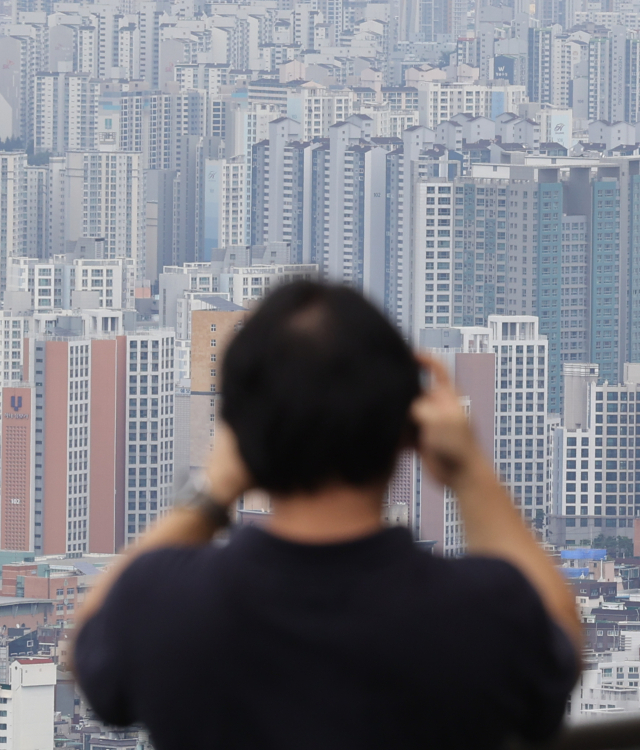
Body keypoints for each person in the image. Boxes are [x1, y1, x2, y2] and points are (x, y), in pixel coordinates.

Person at [73, 282, 580, 750]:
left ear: (239, 436)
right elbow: (561, 641)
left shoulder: (163, 605)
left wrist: (215, 489)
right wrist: (470, 471)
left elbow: (87, 641)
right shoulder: (486, 611)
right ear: (408, 430)